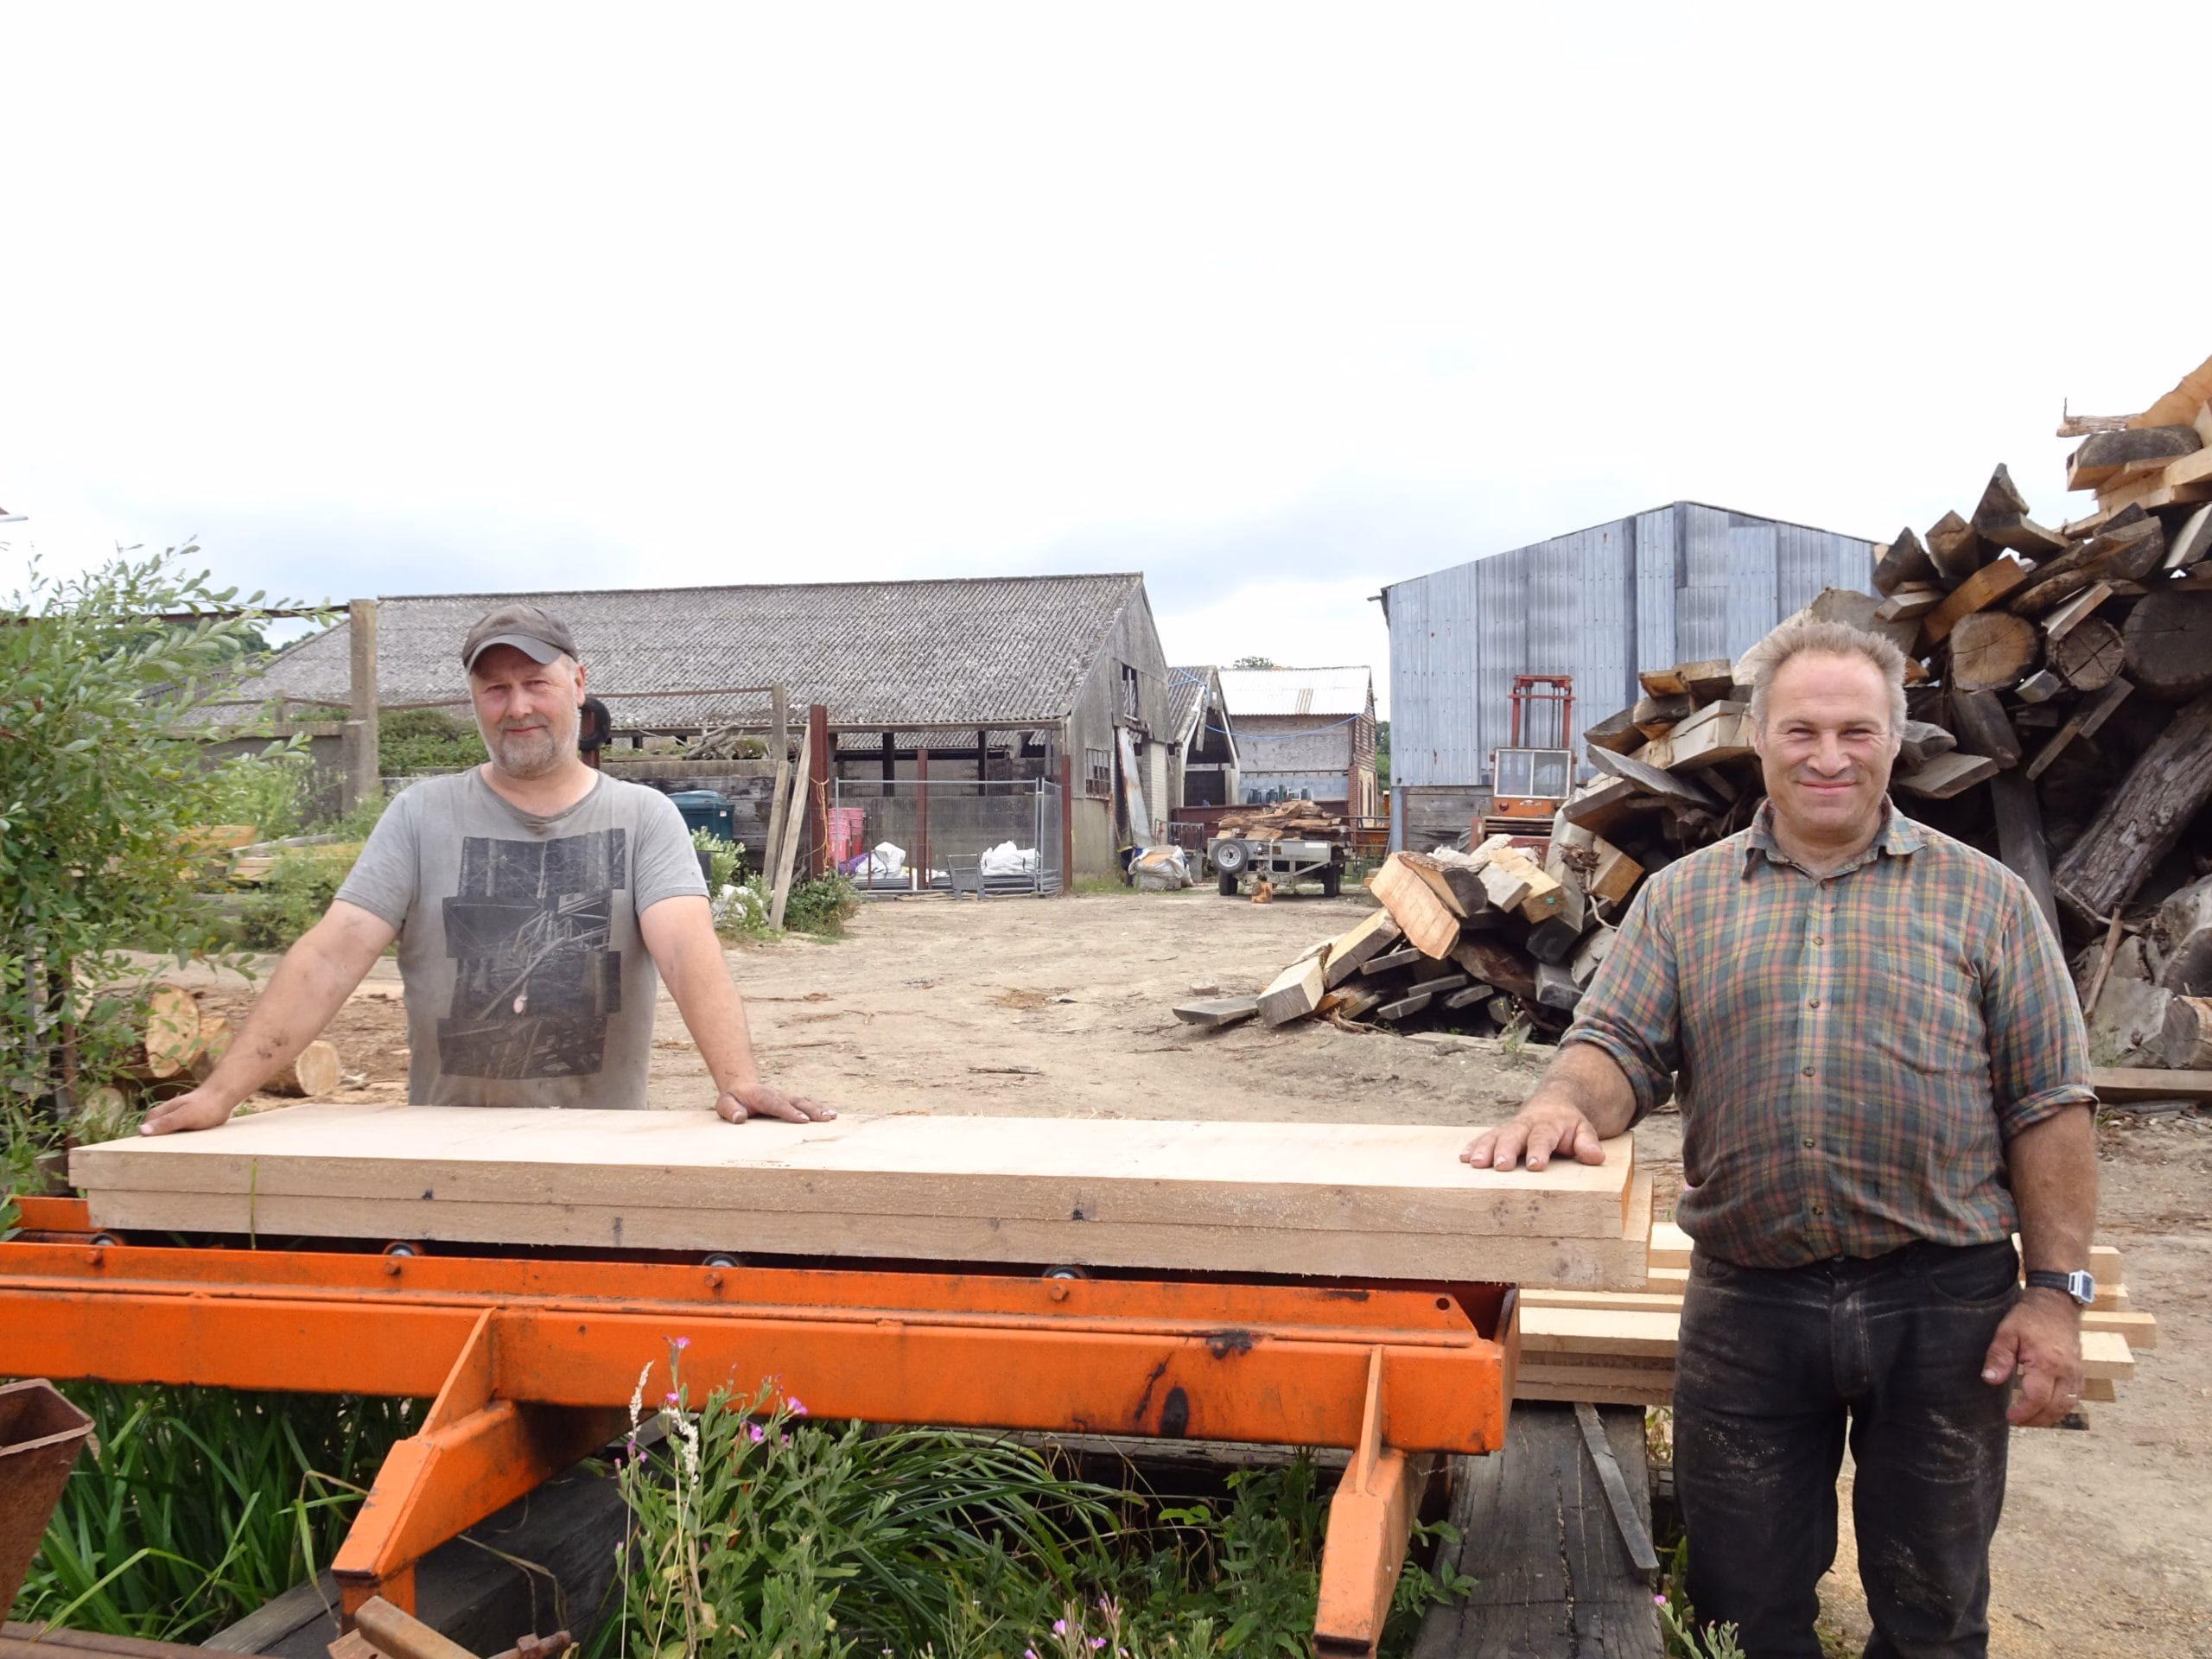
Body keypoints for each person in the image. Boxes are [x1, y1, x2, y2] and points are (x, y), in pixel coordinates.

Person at [1461, 620, 2095, 1659]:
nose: (1828, 756)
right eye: (1801, 730)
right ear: (1757, 737)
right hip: (1748, 1305)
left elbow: (2048, 1103)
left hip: (1942, 1303)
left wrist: (2054, 1298)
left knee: (1934, 1612)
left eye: (1856, 730)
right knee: (1739, 1610)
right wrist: (1558, 1105)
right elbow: (1615, 1045)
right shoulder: (1682, 901)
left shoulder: (1987, 901)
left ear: (1896, 739)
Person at [143, 604, 831, 1134]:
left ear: (577, 684)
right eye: (496, 689)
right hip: (445, 1151)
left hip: (603, 1146)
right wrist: (219, 1094)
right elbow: (331, 955)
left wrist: (737, 1080)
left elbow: (686, 948)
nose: (518, 706)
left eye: (535, 683)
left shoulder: (644, 818)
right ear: (474, 699)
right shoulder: (420, 815)